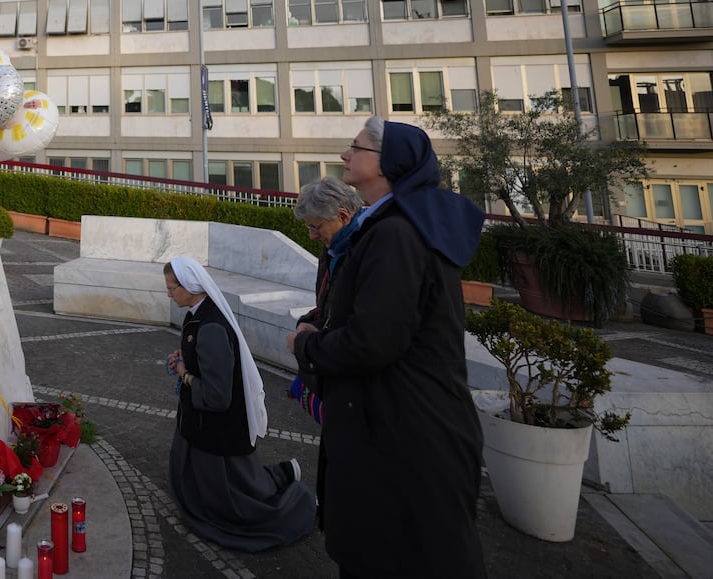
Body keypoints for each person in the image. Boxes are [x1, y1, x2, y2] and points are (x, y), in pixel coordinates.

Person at [286, 118, 487, 578]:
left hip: (404, 440)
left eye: (353, 148)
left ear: (386, 163)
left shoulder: (396, 234)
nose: (344, 157)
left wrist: (306, 346)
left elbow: (372, 341)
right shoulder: (395, 227)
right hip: (399, 431)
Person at [164, 255, 315, 551]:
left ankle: (298, 505)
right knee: (243, 484)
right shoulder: (198, 314)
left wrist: (185, 374)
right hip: (202, 427)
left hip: (214, 431)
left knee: (238, 504)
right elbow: (200, 356)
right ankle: (284, 474)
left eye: (173, 288)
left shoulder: (209, 327)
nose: (169, 293)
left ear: (192, 286)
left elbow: (217, 396)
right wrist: (184, 357)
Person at [287, 177, 364, 423]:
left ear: (343, 216)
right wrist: (309, 322)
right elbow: (330, 306)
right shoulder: (334, 247)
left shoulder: (364, 251)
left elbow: (360, 323)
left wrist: (307, 341)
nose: (312, 236)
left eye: (316, 227)